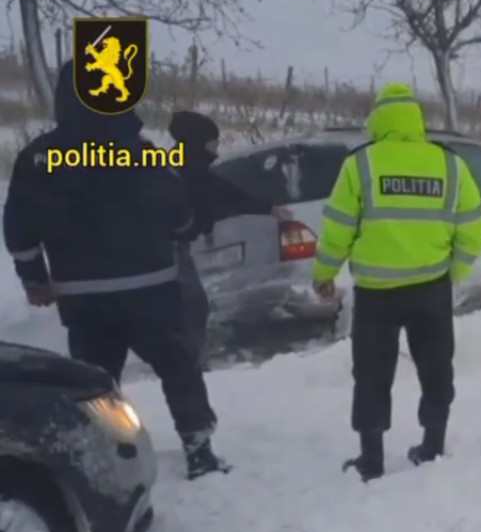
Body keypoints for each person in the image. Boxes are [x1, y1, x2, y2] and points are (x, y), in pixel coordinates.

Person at [3, 60, 227, 480]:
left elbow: (18, 226)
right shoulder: (141, 152)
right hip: (152, 290)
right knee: (179, 368)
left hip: (82, 296)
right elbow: (180, 216)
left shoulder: (37, 159)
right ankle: (199, 450)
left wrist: (34, 279)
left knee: (95, 384)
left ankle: (104, 463)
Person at [311, 83, 481, 483]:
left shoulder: (361, 165)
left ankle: (371, 460)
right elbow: (474, 231)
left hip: (376, 294)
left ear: (378, 119)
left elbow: (338, 229)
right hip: (431, 290)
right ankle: (432, 446)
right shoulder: (450, 165)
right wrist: (453, 273)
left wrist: (323, 275)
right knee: (436, 366)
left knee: (372, 374)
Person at [166, 110, 292, 366]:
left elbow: (224, 193)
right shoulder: (188, 171)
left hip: (171, 248)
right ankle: (188, 367)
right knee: (191, 308)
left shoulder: (184, 166)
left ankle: (186, 363)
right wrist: (267, 208)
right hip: (168, 249)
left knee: (189, 308)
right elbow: (223, 195)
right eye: (213, 142)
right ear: (199, 142)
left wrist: (266, 208)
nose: (217, 148)